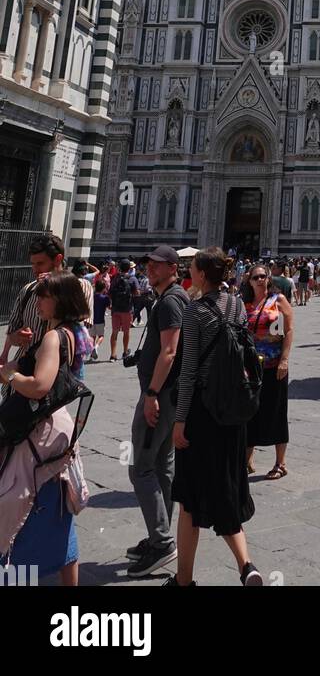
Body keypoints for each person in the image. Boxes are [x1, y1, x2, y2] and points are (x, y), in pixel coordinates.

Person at [169, 248, 262, 587]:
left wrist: (180, 421)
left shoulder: (194, 311)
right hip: (233, 411)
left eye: (191, 269)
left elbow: (189, 371)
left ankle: (184, 581)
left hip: (202, 413)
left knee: (189, 500)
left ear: (203, 275)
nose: (188, 273)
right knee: (226, 488)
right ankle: (247, 566)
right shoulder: (237, 304)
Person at [0, 272, 91, 585]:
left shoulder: (54, 337)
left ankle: (16, 578)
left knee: (20, 506)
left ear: (61, 300)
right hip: (61, 428)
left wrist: (9, 374)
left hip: (41, 430)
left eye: (44, 296)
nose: (38, 302)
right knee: (57, 510)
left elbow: (40, 386)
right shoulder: (77, 331)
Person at [125, 245, 189, 578]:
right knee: (163, 466)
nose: (150, 268)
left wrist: (151, 393)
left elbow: (169, 351)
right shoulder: (171, 298)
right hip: (171, 396)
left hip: (161, 396)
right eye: (148, 263)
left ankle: (162, 541)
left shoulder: (171, 301)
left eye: (158, 264)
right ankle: (159, 534)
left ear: (173, 268)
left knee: (141, 469)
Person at [244, 264, 293, 481]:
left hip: (275, 367)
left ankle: (280, 463)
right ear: (250, 280)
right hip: (251, 368)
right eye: (256, 277)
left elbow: (289, 329)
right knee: (249, 412)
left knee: (276, 412)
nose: (261, 280)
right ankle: (247, 461)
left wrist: (284, 359)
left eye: (264, 276)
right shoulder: (244, 304)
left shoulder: (278, 300)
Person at [0, 232, 66, 368]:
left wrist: (57, 286)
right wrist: (16, 338)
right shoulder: (28, 290)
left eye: (40, 263)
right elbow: (12, 331)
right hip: (22, 369)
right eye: (33, 264)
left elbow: (82, 335)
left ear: (58, 259)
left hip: (55, 377)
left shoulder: (77, 289)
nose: (35, 270)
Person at [108, 259, 137, 361]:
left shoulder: (115, 278)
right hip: (127, 309)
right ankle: (125, 352)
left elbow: (110, 292)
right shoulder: (132, 279)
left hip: (115, 309)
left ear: (119, 267)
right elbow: (136, 292)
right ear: (129, 268)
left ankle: (113, 354)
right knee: (126, 331)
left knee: (114, 331)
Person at [90, 277, 109, 362]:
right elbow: (109, 306)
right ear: (103, 288)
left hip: (91, 319)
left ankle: (91, 355)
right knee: (101, 336)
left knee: (92, 337)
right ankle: (96, 347)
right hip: (100, 319)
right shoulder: (104, 298)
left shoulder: (92, 296)